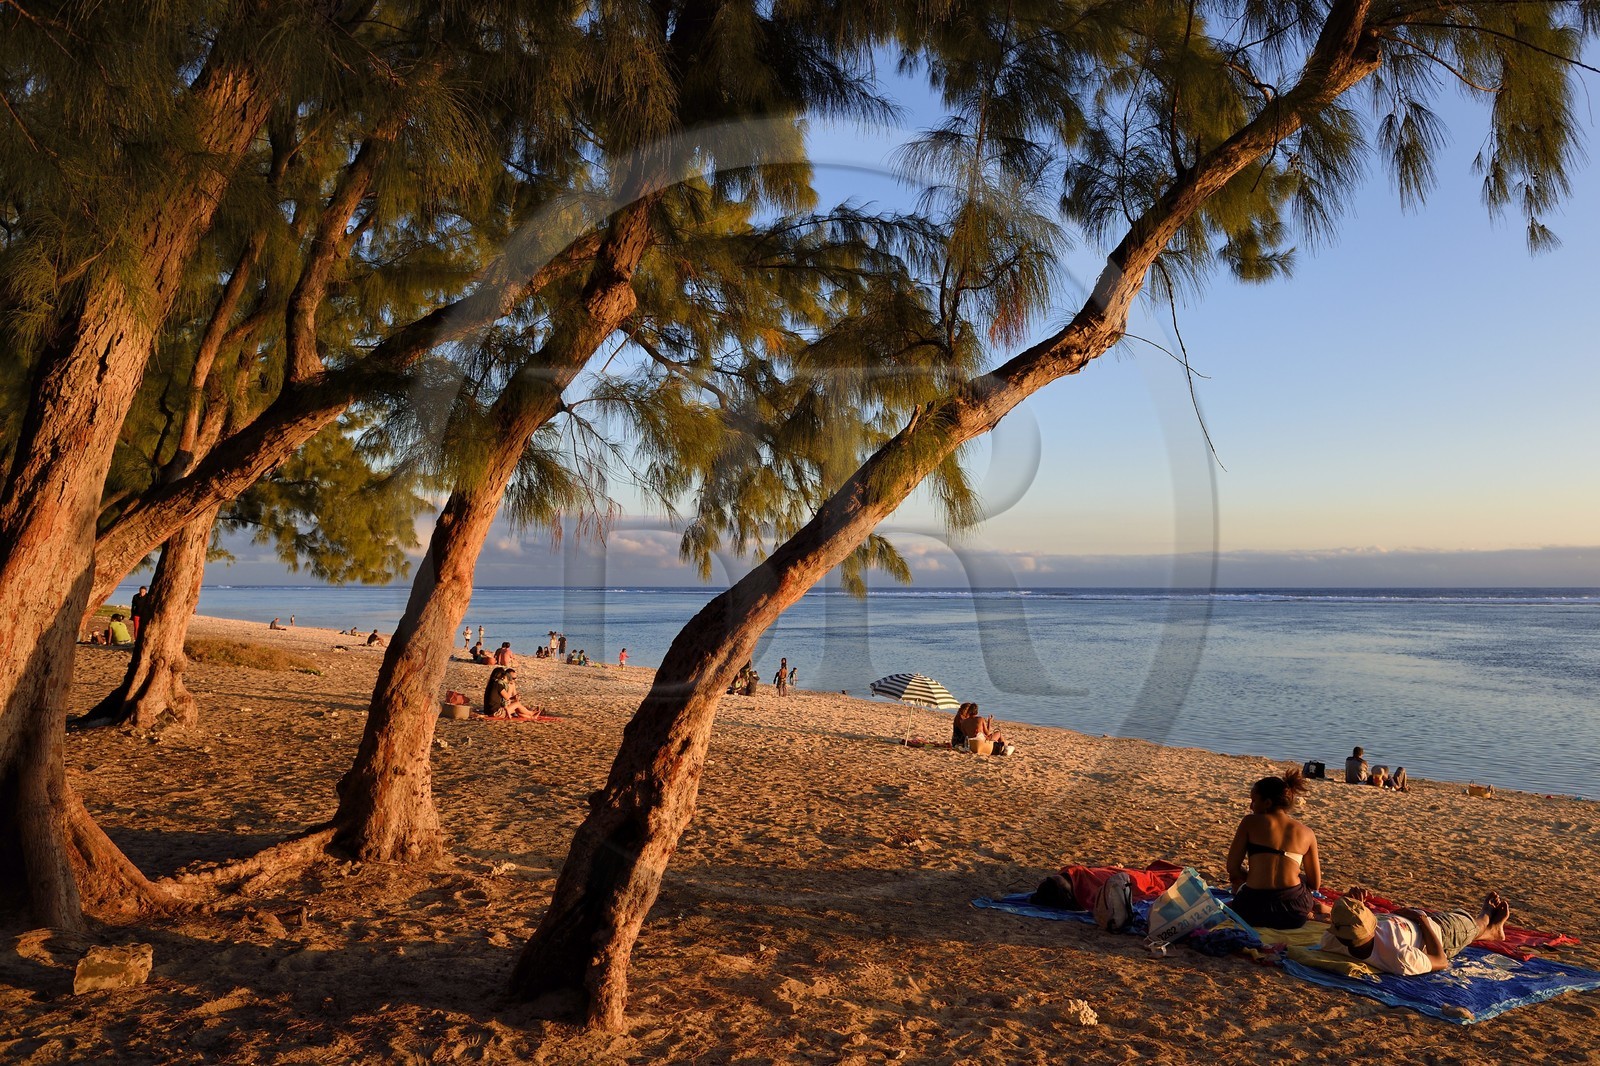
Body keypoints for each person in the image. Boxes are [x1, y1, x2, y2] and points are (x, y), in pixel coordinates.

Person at [1320, 887, 1512, 974]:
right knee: (1468, 924)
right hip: (1439, 933)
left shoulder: (1333, 940)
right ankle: (1486, 920)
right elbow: (1441, 961)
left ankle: (1492, 931)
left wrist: (1354, 907)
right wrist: (1422, 920)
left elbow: (1343, 924)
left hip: (1409, 921)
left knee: (1460, 923)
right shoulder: (1399, 958)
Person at [1225, 767, 1324, 929]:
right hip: (1293, 913)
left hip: (1251, 911)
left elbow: (1232, 868)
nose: (1251, 806)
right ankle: (1318, 910)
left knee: (1238, 889)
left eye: (1254, 800)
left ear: (1267, 803)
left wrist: (1253, 878)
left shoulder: (1250, 822)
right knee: (1300, 883)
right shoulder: (1307, 833)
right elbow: (1315, 883)